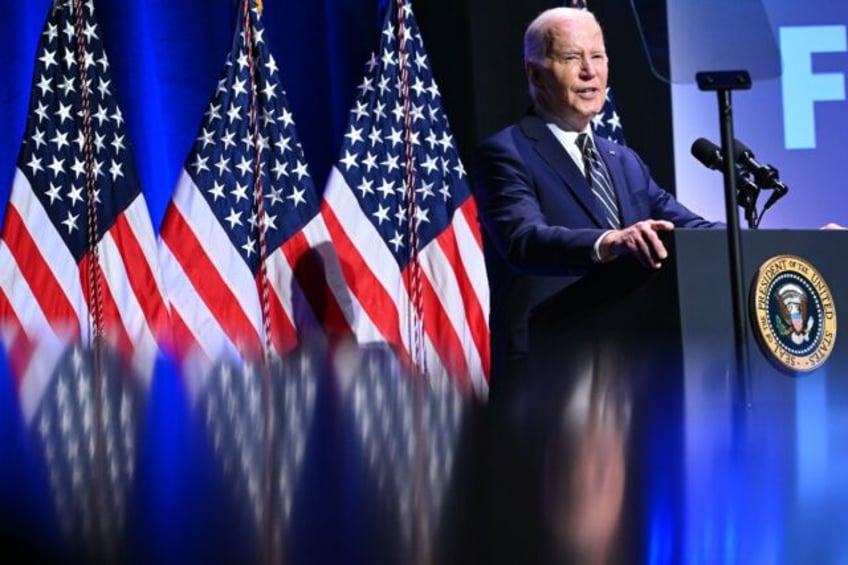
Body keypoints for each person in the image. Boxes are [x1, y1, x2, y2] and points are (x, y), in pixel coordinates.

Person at [472, 7, 720, 391]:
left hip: (629, 370)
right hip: (549, 372)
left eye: (598, 56)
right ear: (535, 73)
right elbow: (523, 240)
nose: (590, 71)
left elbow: (692, 229)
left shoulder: (623, 160)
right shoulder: (506, 153)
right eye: (572, 57)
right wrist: (611, 241)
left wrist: (785, 242)